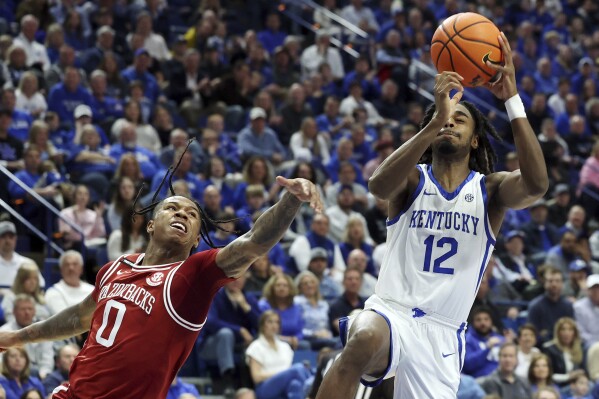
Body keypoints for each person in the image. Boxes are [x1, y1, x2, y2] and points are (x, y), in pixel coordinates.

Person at [316, 34, 548, 398]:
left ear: (475, 139)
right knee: (362, 340)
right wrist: (432, 120)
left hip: (442, 335)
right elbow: (377, 186)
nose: (449, 123)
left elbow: (536, 185)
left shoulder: (490, 191)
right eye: (444, 118)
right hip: (391, 312)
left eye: (459, 119)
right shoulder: (412, 178)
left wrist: (512, 101)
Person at [0, 164, 323, 398]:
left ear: (197, 239)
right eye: (172, 208)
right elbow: (78, 317)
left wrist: (291, 199)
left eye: (192, 214)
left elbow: (254, 242)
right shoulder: (115, 268)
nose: (182, 214)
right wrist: (17, 337)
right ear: (151, 226)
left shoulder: (194, 276)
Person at [245, 310, 312, 399]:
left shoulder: (285, 346)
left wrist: (286, 374)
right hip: (265, 388)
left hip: (285, 384)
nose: (274, 325)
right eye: (270, 322)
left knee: (295, 384)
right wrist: (283, 373)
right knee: (297, 369)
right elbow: (256, 377)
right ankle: (313, 391)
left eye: (277, 322)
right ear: (262, 325)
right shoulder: (256, 346)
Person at [542, 317, 585, 386]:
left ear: (574, 333)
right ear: (558, 332)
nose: (567, 333)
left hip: (576, 385)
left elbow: (583, 370)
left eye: (570, 330)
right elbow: (548, 375)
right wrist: (568, 377)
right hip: (558, 385)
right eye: (563, 329)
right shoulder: (549, 349)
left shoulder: (580, 348)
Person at [573, 274, 599, 347]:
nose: (596, 291)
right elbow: (581, 333)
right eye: (593, 288)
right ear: (588, 290)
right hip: (590, 345)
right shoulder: (579, 307)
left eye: (598, 288)